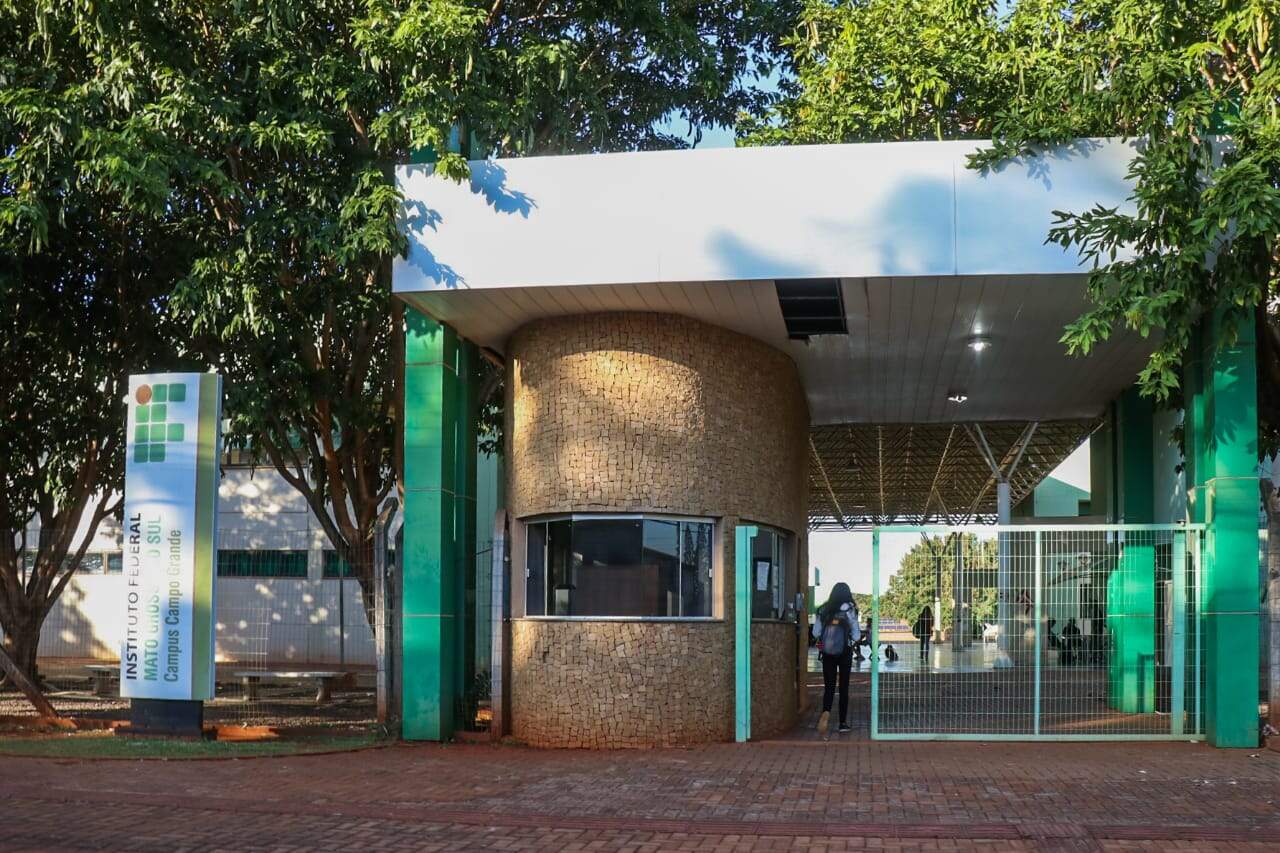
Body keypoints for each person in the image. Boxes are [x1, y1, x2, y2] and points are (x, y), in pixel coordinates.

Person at [811, 582, 859, 736]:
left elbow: (815, 633)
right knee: (844, 687)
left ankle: (826, 713)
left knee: (829, 687)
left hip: (827, 652)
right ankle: (842, 723)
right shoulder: (849, 609)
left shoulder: (824, 609)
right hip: (845, 652)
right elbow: (857, 635)